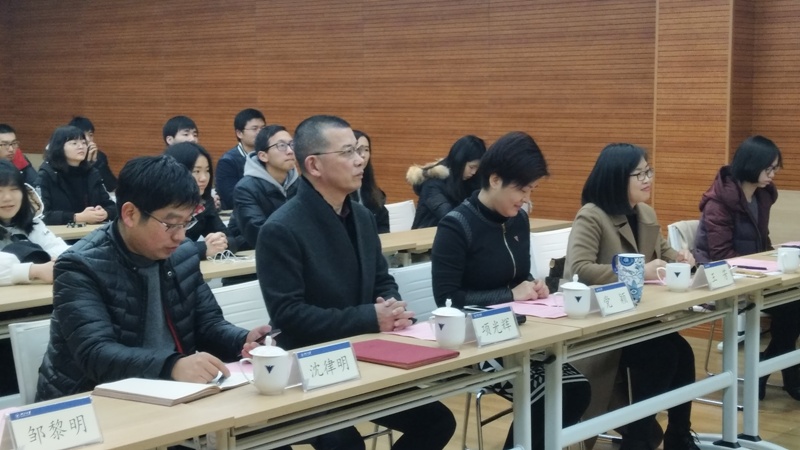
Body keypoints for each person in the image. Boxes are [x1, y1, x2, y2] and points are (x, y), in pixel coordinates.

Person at [257, 115, 455, 450]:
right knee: (345, 445)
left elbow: (381, 279)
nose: (360, 160)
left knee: (437, 421)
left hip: (368, 354)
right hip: (312, 367)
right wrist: (370, 317)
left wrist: (390, 305)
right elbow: (289, 315)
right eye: (348, 152)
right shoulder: (281, 228)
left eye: (360, 151)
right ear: (314, 165)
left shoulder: (362, 216)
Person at [36, 155, 272, 401]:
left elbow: (207, 324)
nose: (180, 236)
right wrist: (172, 366)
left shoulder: (182, 254)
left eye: (186, 222)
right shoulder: (80, 265)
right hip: (90, 401)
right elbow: (96, 354)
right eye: (170, 224)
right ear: (130, 214)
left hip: (171, 393)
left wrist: (241, 340)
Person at [432, 131, 590, 450]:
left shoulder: (518, 220)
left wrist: (534, 286)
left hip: (521, 333)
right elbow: (448, 300)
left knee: (576, 389)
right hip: (477, 343)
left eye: (531, 190)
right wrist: (511, 295)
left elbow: (519, 275)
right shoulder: (456, 225)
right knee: (554, 393)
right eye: (521, 189)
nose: (525, 199)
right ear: (494, 179)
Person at [565, 143, 698, 450]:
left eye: (648, 171)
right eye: (639, 174)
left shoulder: (645, 213)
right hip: (601, 326)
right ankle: (637, 440)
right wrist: (637, 272)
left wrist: (681, 259)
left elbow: (663, 253)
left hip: (636, 319)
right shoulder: (592, 215)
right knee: (662, 356)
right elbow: (579, 269)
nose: (647, 179)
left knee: (682, 353)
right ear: (616, 177)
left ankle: (679, 435)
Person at [693, 135, 798, 400]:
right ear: (752, 165)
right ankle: (778, 370)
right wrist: (765, 267)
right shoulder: (719, 203)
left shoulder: (761, 196)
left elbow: (762, 241)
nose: (772, 174)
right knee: (793, 309)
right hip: (721, 278)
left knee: (795, 305)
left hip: (752, 276)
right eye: (768, 168)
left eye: (775, 168)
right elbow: (721, 256)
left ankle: (768, 364)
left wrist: (775, 261)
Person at [164, 142, 239, 259]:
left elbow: (230, 239)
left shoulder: (203, 204)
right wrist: (203, 249)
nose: (204, 178)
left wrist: (221, 243)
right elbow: (160, 247)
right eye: (196, 171)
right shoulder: (161, 205)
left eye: (207, 170)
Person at [0, 159, 69, 285]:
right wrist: (33, 270)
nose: (8, 198)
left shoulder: (31, 222)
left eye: (14, 189)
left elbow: (55, 247)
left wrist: (59, 261)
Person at [232, 124, 299, 249]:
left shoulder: (302, 184)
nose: (290, 151)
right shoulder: (246, 189)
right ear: (263, 156)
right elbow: (258, 231)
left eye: (292, 144)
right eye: (281, 146)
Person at [36, 125, 117, 225]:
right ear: (59, 147)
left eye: (83, 143)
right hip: (60, 233)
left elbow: (112, 206)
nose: (81, 147)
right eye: (74, 143)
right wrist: (76, 217)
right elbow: (41, 215)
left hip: (92, 231)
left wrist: (105, 213)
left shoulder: (91, 173)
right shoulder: (47, 175)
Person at [406, 135, 486, 229]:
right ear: (460, 161)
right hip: (426, 235)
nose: (474, 172)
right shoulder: (432, 184)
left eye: (477, 168)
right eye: (471, 167)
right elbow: (449, 216)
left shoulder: (468, 181)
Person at [217, 108, 267, 210]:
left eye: (263, 128)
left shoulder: (268, 155)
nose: (260, 132)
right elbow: (231, 198)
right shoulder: (227, 162)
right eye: (254, 129)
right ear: (239, 133)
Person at [350, 130, 389, 233]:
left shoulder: (374, 191)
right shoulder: (339, 190)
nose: (363, 155)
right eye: (358, 149)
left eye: (366, 150)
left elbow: (383, 225)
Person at [68, 116, 118, 192]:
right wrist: (87, 165)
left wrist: (96, 162)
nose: (88, 139)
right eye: (83, 135)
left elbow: (112, 186)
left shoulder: (99, 156)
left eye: (90, 135)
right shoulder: (69, 157)